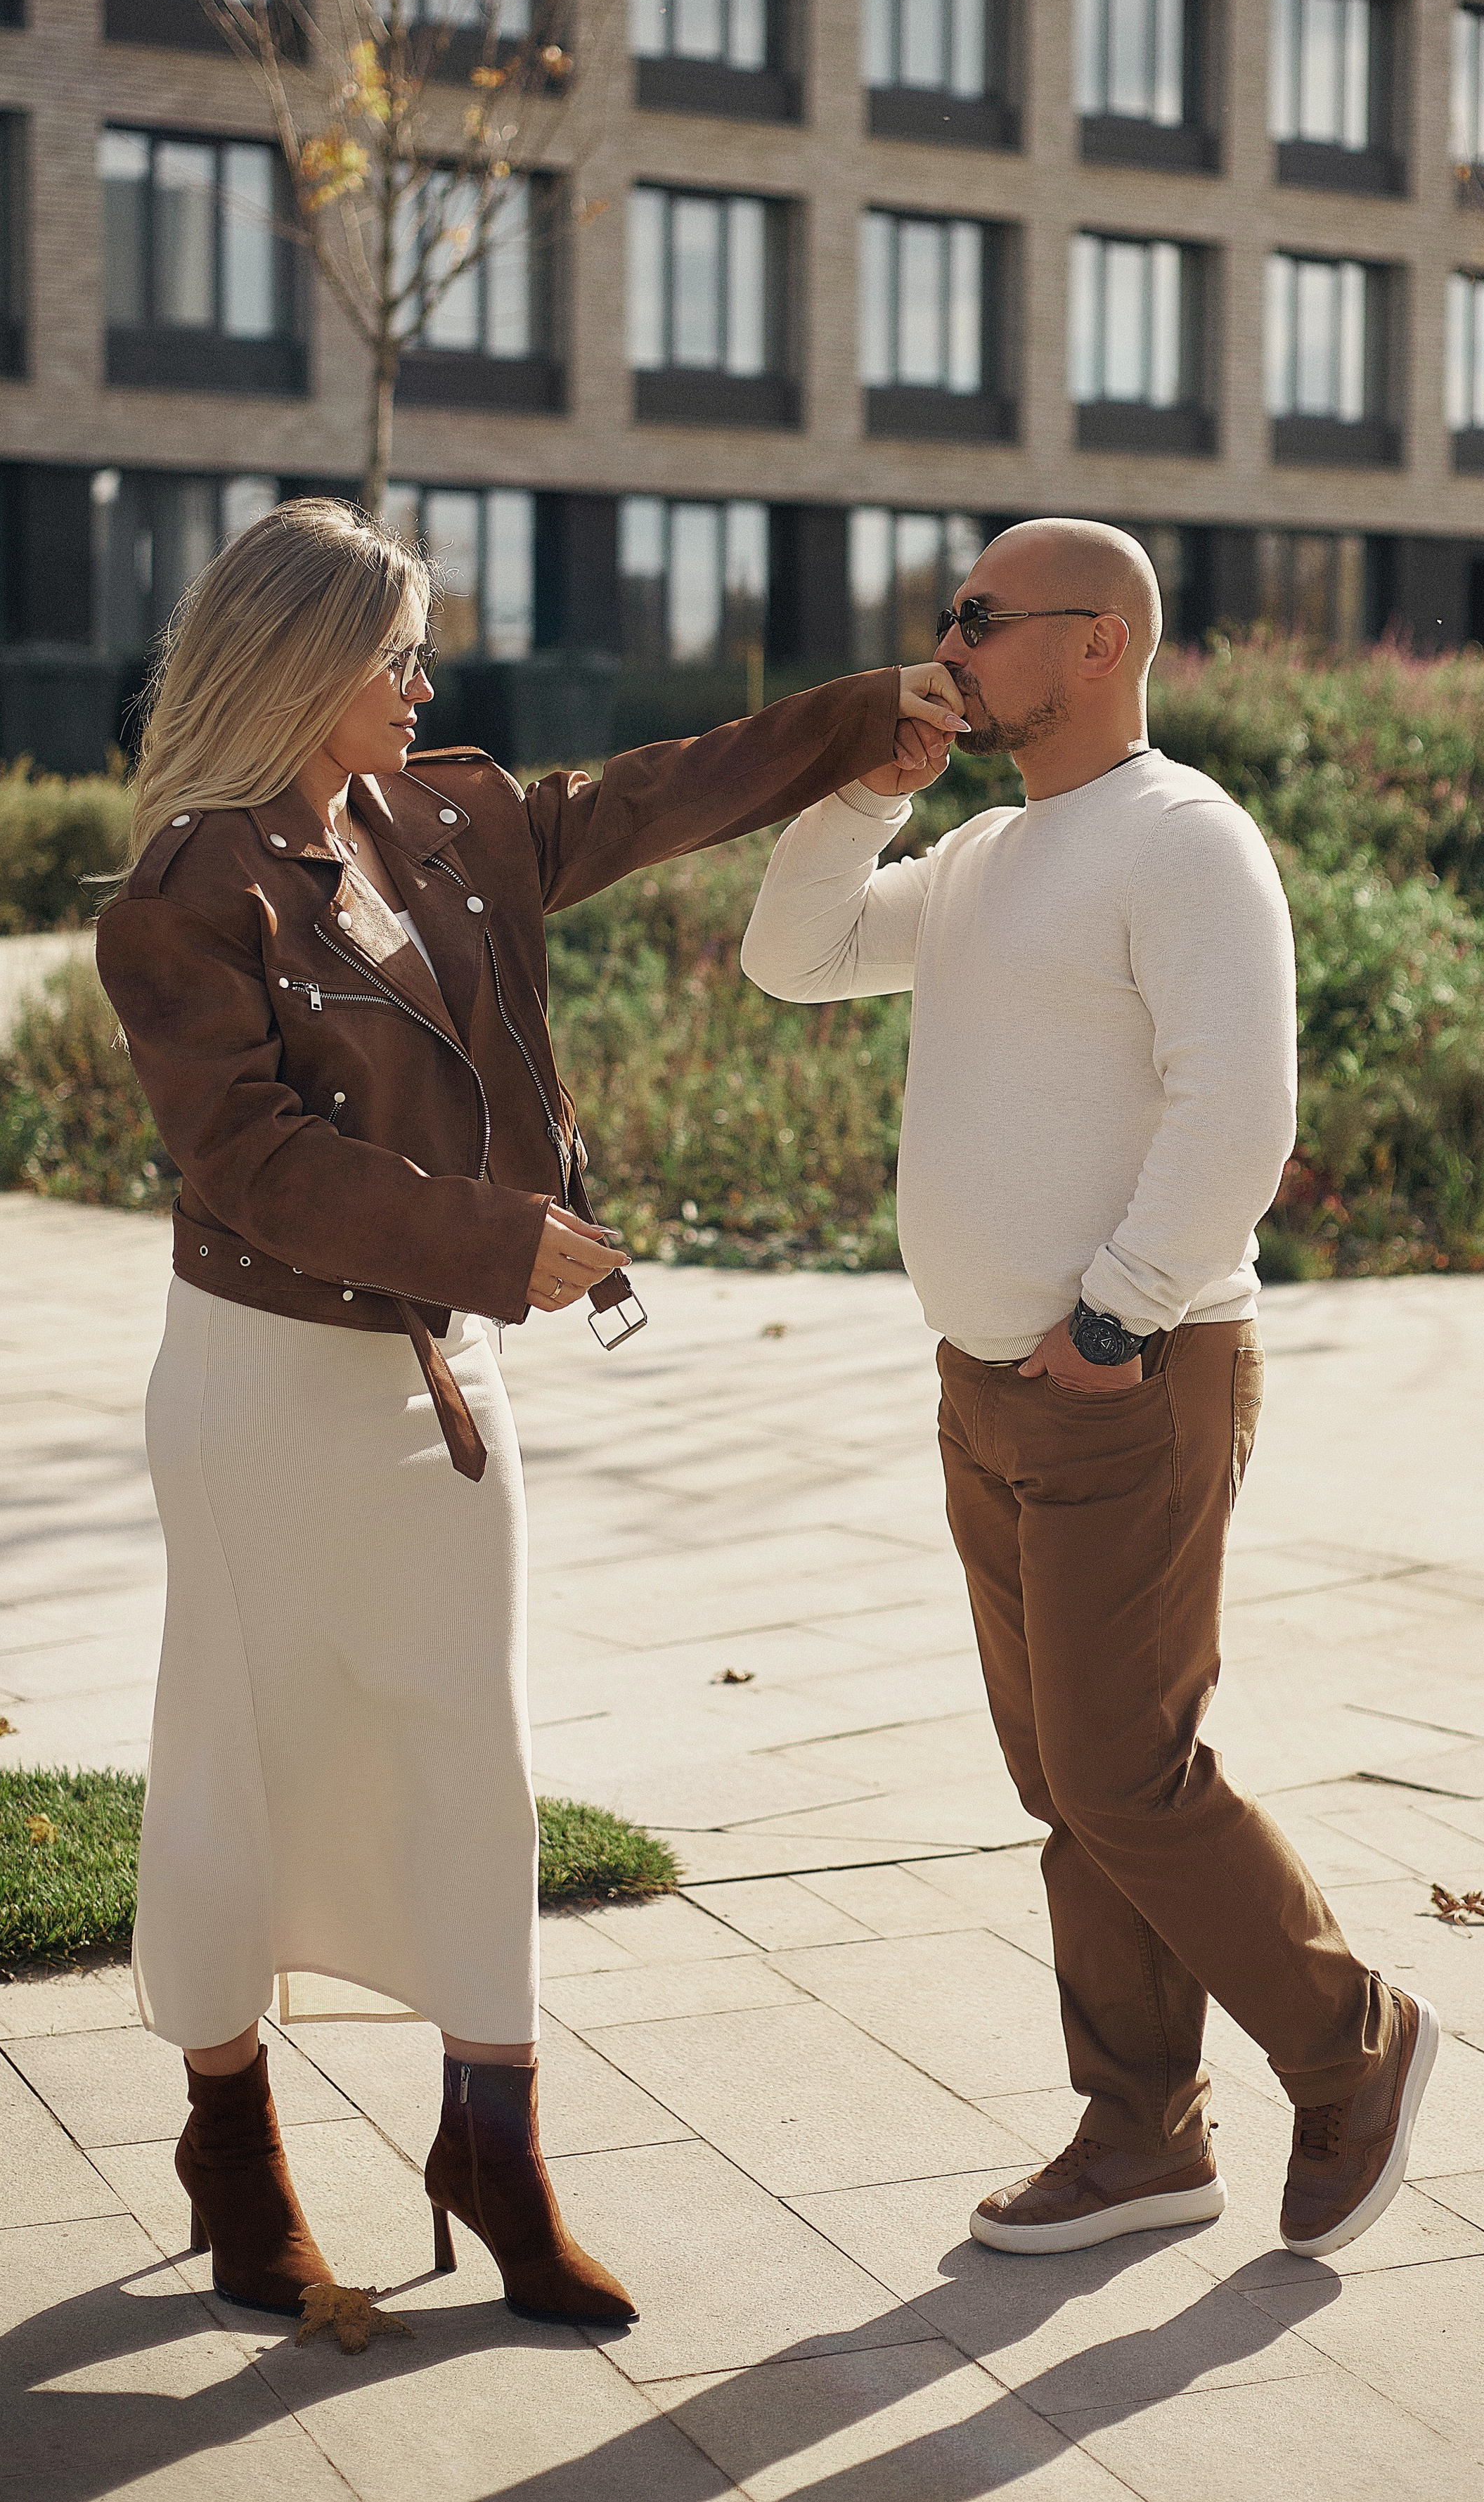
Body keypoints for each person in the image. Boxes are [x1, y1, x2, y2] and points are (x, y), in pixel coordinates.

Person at [95, 496, 964, 2324]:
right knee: (241, 1751)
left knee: (467, 1748)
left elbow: (646, 797)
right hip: (263, 1377)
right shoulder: (192, 887)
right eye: (398, 655)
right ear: (302, 666)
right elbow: (247, 1161)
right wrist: (503, 1237)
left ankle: (495, 2137)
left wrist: (862, 714)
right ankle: (231, 2140)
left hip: (444, 1361)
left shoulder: (444, 820)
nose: (429, 683)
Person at [740, 518, 1438, 2262]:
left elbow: (1237, 1111)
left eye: (979, 619)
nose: (948, 641)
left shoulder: (1182, 838)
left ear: (1097, 643)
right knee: (1064, 1775)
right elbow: (793, 955)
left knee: (1122, 1769)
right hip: (987, 1388)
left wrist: (1115, 1322)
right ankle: (1140, 2135)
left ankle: (1349, 2036)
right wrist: (865, 789)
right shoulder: (982, 851)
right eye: (946, 615)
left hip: (1127, 1378)